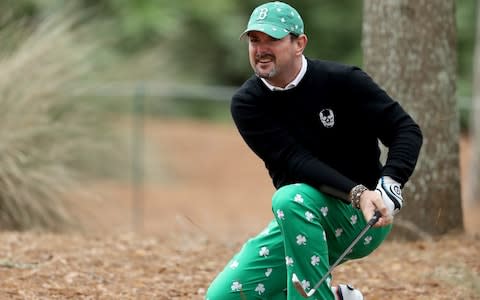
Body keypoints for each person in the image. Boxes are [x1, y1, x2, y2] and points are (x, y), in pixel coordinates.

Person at [205, 1, 422, 299]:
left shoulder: (344, 81)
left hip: (363, 215)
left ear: (299, 43)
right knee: (222, 297)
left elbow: (405, 129)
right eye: (255, 40)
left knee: (289, 198)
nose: (261, 49)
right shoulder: (248, 103)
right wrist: (356, 190)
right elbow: (296, 161)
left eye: (273, 39)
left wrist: (391, 181)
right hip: (301, 217)